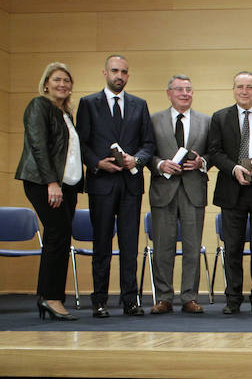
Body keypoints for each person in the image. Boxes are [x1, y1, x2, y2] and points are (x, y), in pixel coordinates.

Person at [76, 54, 155, 318]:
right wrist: (97, 164)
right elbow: (82, 143)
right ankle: (99, 300)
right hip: (102, 184)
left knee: (130, 246)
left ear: (128, 75)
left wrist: (138, 159)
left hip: (131, 184)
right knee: (102, 246)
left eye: (123, 72)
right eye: (114, 71)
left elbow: (148, 144)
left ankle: (130, 300)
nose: (119, 76)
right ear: (105, 73)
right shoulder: (88, 104)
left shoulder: (139, 105)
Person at [16, 62, 83, 321]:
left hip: (67, 186)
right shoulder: (39, 106)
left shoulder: (65, 114)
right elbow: (38, 147)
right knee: (57, 233)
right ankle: (50, 297)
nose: (62, 84)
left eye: (67, 81)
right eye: (57, 80)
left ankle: (51, 296)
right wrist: (51, 183)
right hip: (44, 183)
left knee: (61, 236)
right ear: (46, 83)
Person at [206, 71, 252, 315]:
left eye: (249, 87)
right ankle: (233, 298)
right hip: (231, 190)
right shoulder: (220, 117)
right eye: (240, 87)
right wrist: (233, 168)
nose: (244, 91)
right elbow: (213, 151)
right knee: (232, 247)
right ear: (233, 90)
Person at [148, 75, 210, 314]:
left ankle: (189, 297)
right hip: (163, 190)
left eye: (189, 90)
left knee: (193, 246)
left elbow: (213, 152)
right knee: (163, 246)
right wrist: (160, 164)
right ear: (169, 93)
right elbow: (146, 152)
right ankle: (164, 297)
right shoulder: (153, 121)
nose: (185, 93)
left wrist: (202, 162)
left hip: (193, 190)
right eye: (180, 89)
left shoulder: (206, 121)